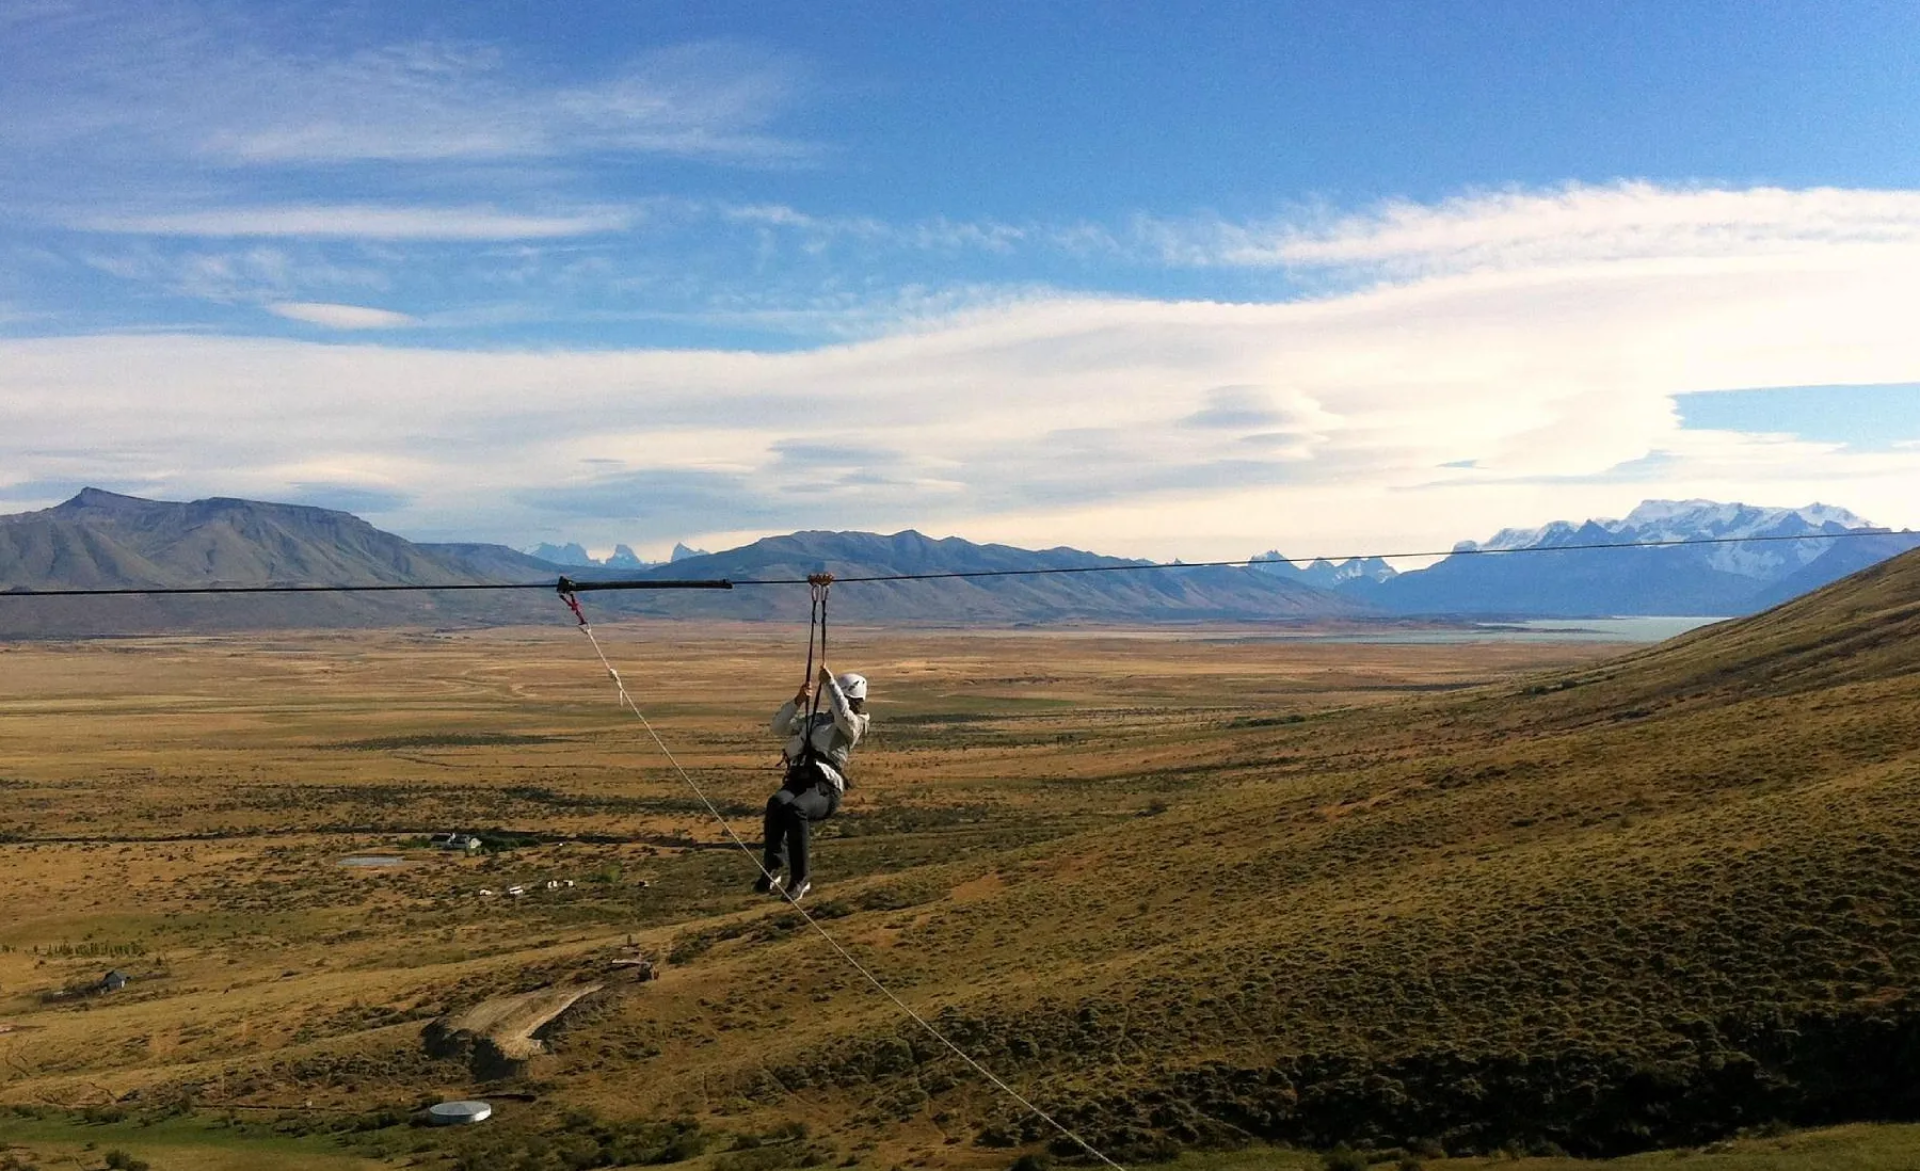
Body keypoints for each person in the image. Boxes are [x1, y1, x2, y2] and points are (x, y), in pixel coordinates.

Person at [759, 664, 868, 901]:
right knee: (777, 803)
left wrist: (829, 684)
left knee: (795, 809)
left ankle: (800, 879)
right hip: (800, 779)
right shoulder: (815, 720)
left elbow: (843, 715)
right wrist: (798, 700)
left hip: (825, 788)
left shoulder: (855, 724)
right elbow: (777, 728)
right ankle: (774, 867)